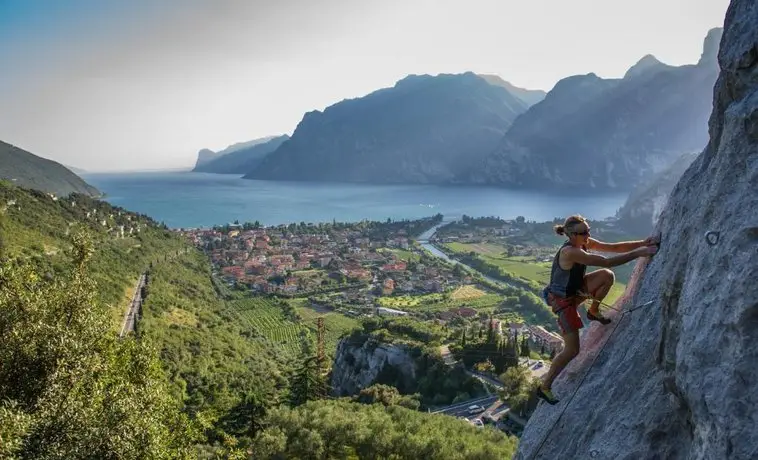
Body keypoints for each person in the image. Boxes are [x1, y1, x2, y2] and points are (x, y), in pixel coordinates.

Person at [536, 214, 659, 405]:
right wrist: (640, 252)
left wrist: (642, 243)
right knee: (572, 350)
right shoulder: (570, 252)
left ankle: (593, 311)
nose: (587, 235)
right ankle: (544, 387)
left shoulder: (582, 242)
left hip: (574, 291)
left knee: (606, 277)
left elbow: (613, 248)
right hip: (563, 301)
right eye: (583, 232)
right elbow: (606, 260)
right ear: (571, 235)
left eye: (588, 231)